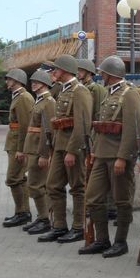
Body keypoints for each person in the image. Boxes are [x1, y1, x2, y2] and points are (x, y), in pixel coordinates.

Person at [78, 56, 140, 257]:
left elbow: (132, 129)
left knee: (122, 200)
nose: (100, 75)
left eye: (103, 72)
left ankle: (120, 242)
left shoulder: (129, 94)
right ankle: (102, 240)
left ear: (110, 74)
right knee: (94, 197)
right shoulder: (107, 93)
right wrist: (94, 150)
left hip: (117, 156)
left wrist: (123, 157)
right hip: (102, 154)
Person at [39, 55, 93, 243]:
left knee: (78, 188)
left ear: (66, 70)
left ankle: (78, 227)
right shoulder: (63, 91)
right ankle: (59, 226)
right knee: (53, 185)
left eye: (57, 69)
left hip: (73, 148)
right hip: (60, 146)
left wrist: (72, 150)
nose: (53, 72)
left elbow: (82, 124)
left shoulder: (80, 91)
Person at [21, 70, 56, 236]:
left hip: (39, 149)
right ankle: (42, 217)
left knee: (37, 185)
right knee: (34, 185)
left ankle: (45, 219)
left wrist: (44, 153)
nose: (33, 83)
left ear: (45, 83)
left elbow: (48, 130)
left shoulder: (48, 102)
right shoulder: (39, 100)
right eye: (33, 81)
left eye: (37, 81)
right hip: (33, 148)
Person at [2, 69, 35, 228]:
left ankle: (22, 213)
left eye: (9, 79)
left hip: (18, 145)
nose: (6, 81)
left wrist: (22, 149)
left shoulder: (23, 98)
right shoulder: (18, 97)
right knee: (19, 178)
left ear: (17, 80)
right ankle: (22, 212)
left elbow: (25, 125)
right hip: (14, 143)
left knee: (13, 178)